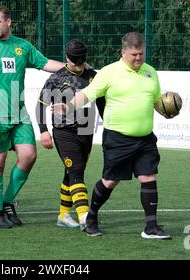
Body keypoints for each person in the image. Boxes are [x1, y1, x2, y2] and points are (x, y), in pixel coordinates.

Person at [52, 32, 172, 239]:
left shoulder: (151, 72)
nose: (138, 58)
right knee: (110, 181)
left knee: (148, 177)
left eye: (141, 54)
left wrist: (168, 110)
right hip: (118, 138)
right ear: (123, 52)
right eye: (134, 54)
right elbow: (88, 93)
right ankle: (91, 218)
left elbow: (155, 101)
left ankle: (151, 227)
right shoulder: (109, 72)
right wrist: (69, 107)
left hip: (145, 138)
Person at [0, 5, 65, 228]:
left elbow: (45, 64)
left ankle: (6, 202)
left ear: (8, 22)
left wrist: (72, 68)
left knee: (29, 156)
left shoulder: (23, 46)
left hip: (20, 113)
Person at [36, 39, 105, 230]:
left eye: (81, 60)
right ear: (67, 58)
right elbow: (41, 105)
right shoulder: (56, 78)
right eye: (75, 61)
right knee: (76, 170)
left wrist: (110, 124)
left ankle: (63, 215)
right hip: (63, 132)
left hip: (86, 130)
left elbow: (101, 103)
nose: (78, 64)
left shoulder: (93, 76)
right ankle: (85, 217)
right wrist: (43, 131)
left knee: (74, 171)